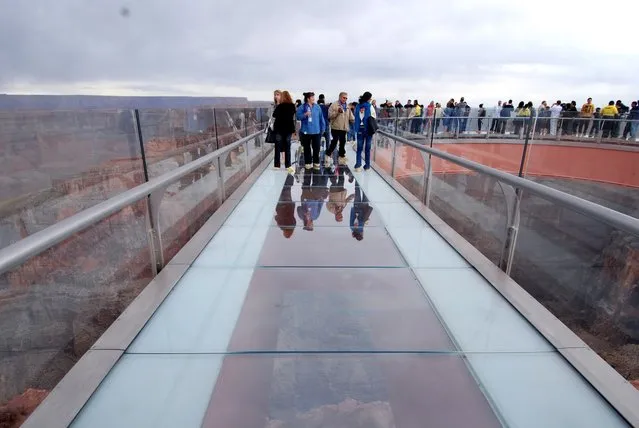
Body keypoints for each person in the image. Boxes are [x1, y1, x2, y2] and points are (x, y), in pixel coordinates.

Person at [296, 92, 326, 170]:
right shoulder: (302, 107)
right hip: (306, 131)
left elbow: (321, 118)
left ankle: (316, 162)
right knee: (307, 148)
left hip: (316, 131)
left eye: (314, 97)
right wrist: (305, 114)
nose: (314, 99)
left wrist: (323, 129)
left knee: (316, 148)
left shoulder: (317, 107)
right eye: (312, 97)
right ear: (308, 98)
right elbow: (298, 117)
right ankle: (308, 163)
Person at [326, 92, 355, 167]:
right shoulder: (334, 105)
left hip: (344, 128)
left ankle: (341, 157)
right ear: (340, 97)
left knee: (343, 142)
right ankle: (328, 154)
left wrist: (355, 121)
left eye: (346, 98)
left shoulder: (347, 106)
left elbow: (351, 116)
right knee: (334, 141)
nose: (345, 99)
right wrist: (337, 112)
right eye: (343, 97)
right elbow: (329, 116)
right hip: (335, 127)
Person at [272, 90, 296, 173]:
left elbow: (274, 115)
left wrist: (278, 105)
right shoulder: (292, 106)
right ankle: (288, 166)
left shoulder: (280, 106)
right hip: (288, 129)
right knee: (287, 147)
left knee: (278, 147)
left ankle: (277, 165)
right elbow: (292, 116)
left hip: (279, 129)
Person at [354, 91, 376, 172]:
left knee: (359, 148)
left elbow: (355, 116)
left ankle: (358, 165)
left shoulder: (358, 106)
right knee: (367, 148)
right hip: (368, 130)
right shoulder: (370, 106)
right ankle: (367, 166)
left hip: (360, 129)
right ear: (368, 98)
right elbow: (374, 116)